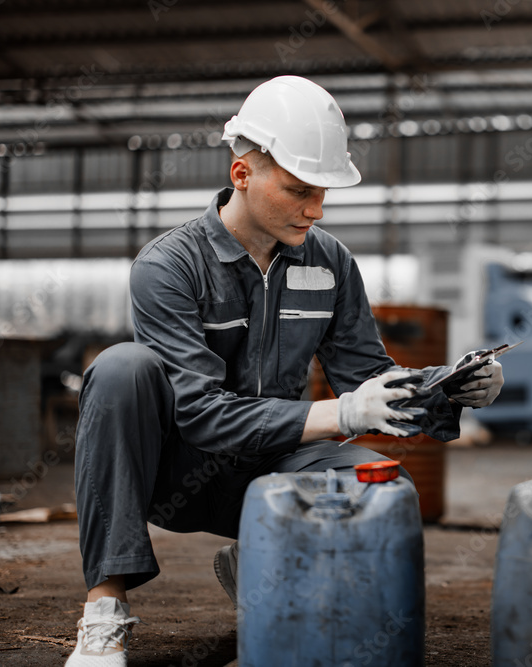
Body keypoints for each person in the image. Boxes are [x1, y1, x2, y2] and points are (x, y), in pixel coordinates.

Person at [64, 75, 504, 666]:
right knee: (121, 368)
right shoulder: (169, 266)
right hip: (175, 475)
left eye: (322, 192)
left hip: (272, 472)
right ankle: (104, 612)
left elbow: (367, 376)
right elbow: (200, 412)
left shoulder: (330, 262)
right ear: (242, 173)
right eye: (299, 190)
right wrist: (341, 414)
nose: (315, 210)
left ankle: (260, 556)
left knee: (381, 483)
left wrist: (449, 386)